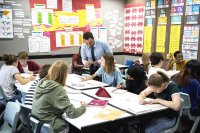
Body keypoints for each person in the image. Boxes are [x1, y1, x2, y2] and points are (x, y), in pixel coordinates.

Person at [32, 60, 86, 133]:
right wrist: (83, 106)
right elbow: (72, 113)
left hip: (40, 125)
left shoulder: (42, 82)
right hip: (52, 126)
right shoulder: (57, 89)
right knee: (78, 128)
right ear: (64, 74)